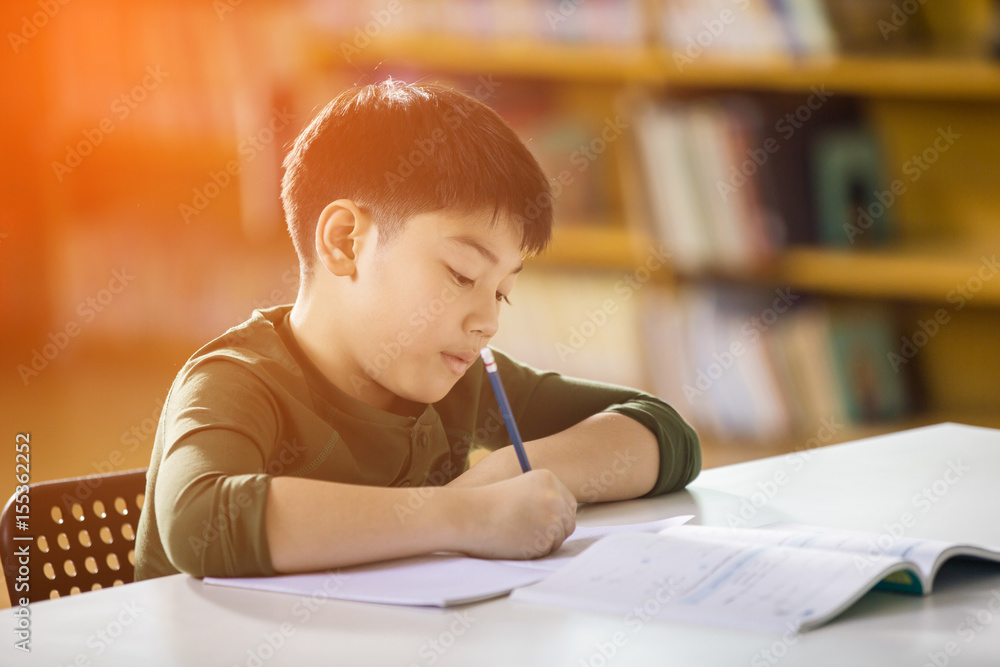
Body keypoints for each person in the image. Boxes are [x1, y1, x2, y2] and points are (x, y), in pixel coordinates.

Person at [134, 78, 700, 581]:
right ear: (344, 242)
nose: (489, 321)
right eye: (461, 274)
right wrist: (460, 515)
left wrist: (505, 471)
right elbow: (200, 520)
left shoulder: (464, 385)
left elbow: (664, 433)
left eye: (502, 291)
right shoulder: (234, 382)